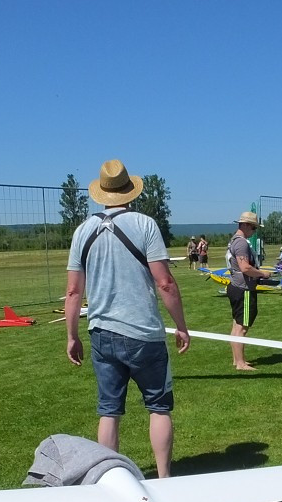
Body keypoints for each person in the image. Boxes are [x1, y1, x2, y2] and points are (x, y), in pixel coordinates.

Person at [65, 159, 190, 478]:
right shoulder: (146, 225)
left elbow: (73, 291)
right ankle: (164, 478)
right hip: (144, 334)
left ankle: (110, 480)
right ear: (129, 191)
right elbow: (164, 282)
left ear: (102, 193)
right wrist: (181, 326)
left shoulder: (82, 231)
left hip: (101, 334)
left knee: (109, 412)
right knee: (159, 408)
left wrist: (72, 336)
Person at [226, 211, 273, 370]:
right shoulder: (242, 243)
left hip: (235, 287)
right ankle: (240, 363)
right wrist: (262, 273)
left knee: (236, 325)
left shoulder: (234, 240)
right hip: (243, 289)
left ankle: (237, 359)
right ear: (245, 225)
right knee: (241, 327)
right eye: (253, 227)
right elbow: (245, 267)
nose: (254, 231)